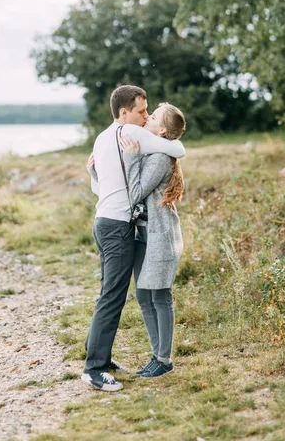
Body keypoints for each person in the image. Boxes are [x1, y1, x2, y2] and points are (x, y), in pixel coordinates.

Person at [81, 86, 185, 392]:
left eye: (149, 113)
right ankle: (94, 368)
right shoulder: (131, 135)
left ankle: (102, 358)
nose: (145, 117)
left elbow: (105, 188)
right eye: (142, 111)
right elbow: (177, 150)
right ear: (124, 113)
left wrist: (94, 173)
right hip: (117, 226)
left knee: (112, 293)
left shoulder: (103, 138)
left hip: (107, 222)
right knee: (112, 296)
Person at [119, 102, 186, 378]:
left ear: (161, 130)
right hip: (144, 235)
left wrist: (132, 158)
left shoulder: (159, 158)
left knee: (160, 296)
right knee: (144, 295)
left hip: (159, 237)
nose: (147, 117)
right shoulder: (156, 148)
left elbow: (134, 192)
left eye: (154, 116)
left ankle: (164, 359)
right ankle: (156, 354)